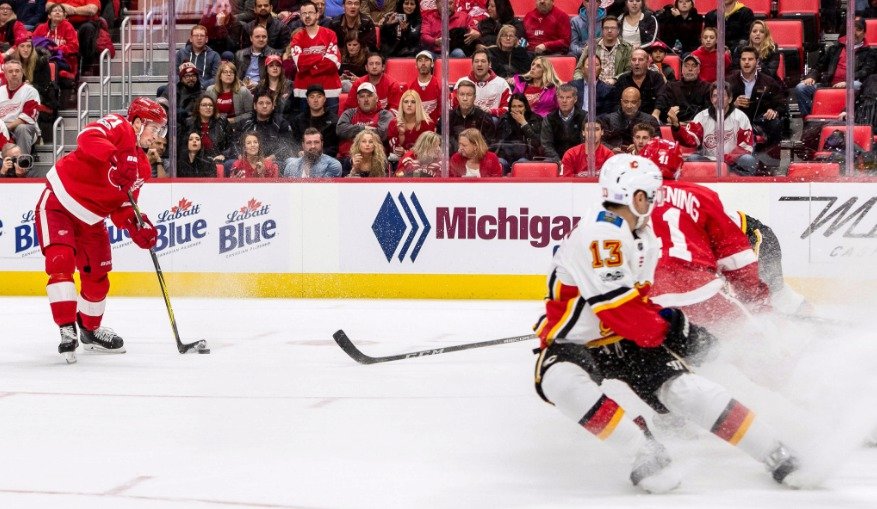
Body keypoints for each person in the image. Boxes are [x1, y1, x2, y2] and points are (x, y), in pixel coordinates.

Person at [533, 152, 802, 493]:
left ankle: (773, 451)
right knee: (561, 381)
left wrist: (675, 327)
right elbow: (619, 309)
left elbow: (640, 304)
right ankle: (641, 450)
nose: (658, 201)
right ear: (637, 197)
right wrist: (676, 331)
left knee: (686, 389)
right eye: (653, 194)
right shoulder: (598, 234)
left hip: (626, 341)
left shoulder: (643, 238)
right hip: (575, 344)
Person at [34, 97, 167, 363]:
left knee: (98, 276)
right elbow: (87, 136)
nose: (158, 136)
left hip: (92, 219)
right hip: (59, 202)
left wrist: (136, 225)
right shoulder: (118, 125)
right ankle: (67, 329)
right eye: (155, 128)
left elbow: (122, 205)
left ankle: (90, 330)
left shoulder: (142, 167)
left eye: (162, 131)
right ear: (138, 123)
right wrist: (116, 156)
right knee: (60, 262)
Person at [642, 138, 770, 331]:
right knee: (760, 349)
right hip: (702, 293)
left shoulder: (626, 202)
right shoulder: (702, 196)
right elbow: (737, 259)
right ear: (679, 168)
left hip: (648, 301)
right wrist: (757, 302)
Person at [794, 17, 876, 118]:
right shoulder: (835, 48)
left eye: (858, 29)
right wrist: (811, 76)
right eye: (851, 29)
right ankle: (810, 117)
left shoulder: (870, 52)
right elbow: (819, 65)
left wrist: (847, 82)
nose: (854, 33)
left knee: (856, 84)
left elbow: (866, 72)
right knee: (801, 88)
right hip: (830, 84)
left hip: (854, 85)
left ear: (864, 33)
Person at [674, 81, 757, 176]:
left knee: (748, 160)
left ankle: (740, 188)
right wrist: (677, 127)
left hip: (733, 162)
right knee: (693, 159)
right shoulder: (701, 117)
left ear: (730, 99)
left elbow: (745, 147)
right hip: (709, 160)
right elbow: (691, 140)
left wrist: (727, 159)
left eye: (723, 96)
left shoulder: (741, 117)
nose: (718, 99)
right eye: (715, 96)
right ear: (711, 99)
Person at [728, 46, 787, 173]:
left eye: (750, 59)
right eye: (743, 59)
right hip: (736, 121)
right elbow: (717, 104)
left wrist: (774, 111)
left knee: (776, 123)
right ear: (740, 62)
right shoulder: (729, 81)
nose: (747, 62)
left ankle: (772, 162)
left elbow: (782, 103)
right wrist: (733, 104)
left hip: (760, 121)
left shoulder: (768, 81)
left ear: (757, 61)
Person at [290, 0, 343, 117]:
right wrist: (321, 56)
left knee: (331, 127)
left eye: (310, 12)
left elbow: (333, 62)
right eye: (304, 13)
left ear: (317, 14)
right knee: (306, 127)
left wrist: (310, 64)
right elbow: (299, 63)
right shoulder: (297, 37)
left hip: (330, 88)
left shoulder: (330, 34)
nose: (307, 16)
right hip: (304, 88)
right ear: (300, 16)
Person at [336, 82, 394, 158]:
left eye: (369, 96)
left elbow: (382, 134)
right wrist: (364, 128)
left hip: (375, 159)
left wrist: (352, 131)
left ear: (376, 98)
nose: (366, 99)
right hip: (348, 158)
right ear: (358, 100)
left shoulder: (385, 115)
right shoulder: (349, 113)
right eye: (362, 96)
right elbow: (340, 130)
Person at [573, 17, 633, 85]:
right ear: (602, 30)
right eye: (606, 28)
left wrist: (615, 79)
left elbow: (629, 71)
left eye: (613, 28)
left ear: (618, 30)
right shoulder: (591, 47)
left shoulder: (627, 48)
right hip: (594, 86)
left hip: (617, 86)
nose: (609, 31)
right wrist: (582, 83)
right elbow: (579, 70)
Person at [598, 86, 660, 153]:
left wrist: (640, 145)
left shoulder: (650, 120)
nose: (629, 106)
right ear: (621, 102)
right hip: (614, 157)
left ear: (639, 103)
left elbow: (657, 142)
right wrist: (611, 149)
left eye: (633, 102)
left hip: (642, 157)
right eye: (626, 102)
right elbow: (599, 140)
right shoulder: (608, 119)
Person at [235, 92, 293, 162]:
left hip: (273, 162)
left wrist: (269, 160)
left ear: (273, 106)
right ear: (255, 106)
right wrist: (242, 157)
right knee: (229, 163)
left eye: (268, 103)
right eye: (261, 103)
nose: (265, 106)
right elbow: (234, 144)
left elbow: (287, 146)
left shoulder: (281, 123)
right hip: (246, 161)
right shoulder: (244, 123)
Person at [494, 93, 543, 174]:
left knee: (521, 163)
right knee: (499, 162)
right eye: (514, 106)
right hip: (505, 157)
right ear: (510, 108)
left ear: (526, 107)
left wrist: (524, 123)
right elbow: (497, 143)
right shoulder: (504, 119)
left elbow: (537, 143)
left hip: (526, 157)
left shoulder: (536, 119)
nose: (517, 110)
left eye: (520, 106)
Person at [0, 59, 41, 156]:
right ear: (5, 74)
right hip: (2, 127)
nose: (14, 74)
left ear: (22, 73)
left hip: (21, 128)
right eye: (10, 71)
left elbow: (28, 117)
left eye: (17, 71)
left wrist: (6, 127)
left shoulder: (30, 91)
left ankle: (22, 165)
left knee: (22, 128)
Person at [654, 54, 710, 124]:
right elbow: (662, 102)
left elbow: (707, 112)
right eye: (686, 66)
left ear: (699, 69)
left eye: (694, 66)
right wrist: (659, 113)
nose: (690, 69)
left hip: (699, 125)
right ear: (682, 69)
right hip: (675, 125)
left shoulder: (707, 88)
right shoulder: (671, 86)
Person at [288, 84, 340, 158]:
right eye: (312, 97)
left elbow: (334, 147)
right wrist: (299, 151)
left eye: (319, 96)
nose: (315, 100)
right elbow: (294, 142)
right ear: (307, 100)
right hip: (302, 158)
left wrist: (318, 153)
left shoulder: (334, 121)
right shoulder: (298, 120)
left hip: (326, 158)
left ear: (324, 99)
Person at [444, 78, 495, 153]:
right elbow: (441, 141)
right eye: (462, 94)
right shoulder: (447, 117)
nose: (465, 98)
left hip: (476, 158)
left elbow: (489, 145)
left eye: (469, 95)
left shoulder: (484, 118)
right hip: (452, 158)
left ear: (474, 97)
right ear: (457, 97)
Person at [387, 89, 435, 164]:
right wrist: (401, 134)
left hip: (422, 163)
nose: (409, 105)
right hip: (399, 163)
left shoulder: (428, 124)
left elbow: (428, 151)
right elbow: (393, 151)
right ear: (401, 104)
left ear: (418, 105)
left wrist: (406, 152)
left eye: (413, 102)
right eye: (406, 102)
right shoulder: (394, 123)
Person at [614, 48, 666, 117]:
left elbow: (661, 98)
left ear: (647, 62)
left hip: (651, 118)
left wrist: (656, 113)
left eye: (641, 60)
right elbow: (616, 103)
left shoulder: (656, 77)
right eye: (634, 60)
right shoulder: (622, 79)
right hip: (627, 118)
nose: (636, 63)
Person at [183, 94, 234, 164]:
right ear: (198, 108)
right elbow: (183, 146)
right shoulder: (189, 123)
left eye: (211, 105)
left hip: (218, 160)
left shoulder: (222, 121)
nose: (208, 107)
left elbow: (232, 143)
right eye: (204, 105)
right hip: (196, 161)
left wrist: (223, 155)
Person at [540, 84, 586, 161]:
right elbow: (546, 144)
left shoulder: (584, 117)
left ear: (575, 99)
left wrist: (575, 159)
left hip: (578, 158)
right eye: (561, 97)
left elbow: (586, 142)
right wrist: (557, 160)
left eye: (568, 97)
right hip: (556, 159)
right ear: (557, 99)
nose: (564, 101)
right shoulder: (549, 118)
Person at [33, 4, 80, 77]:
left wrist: (55, 49)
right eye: (55, 11)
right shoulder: (40, 28)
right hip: (43, 58)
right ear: (49, 15)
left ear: (64, 16)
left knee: (50, 65)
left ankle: (52, 87)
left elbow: (74, 47)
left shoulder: (68, 27)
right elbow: (33, 43)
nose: (57, 12)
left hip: (64, 60)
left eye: (60, 11)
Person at [205, 60, 255, 125]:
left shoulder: (243, 91)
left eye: (231, 72)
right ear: (220, 76)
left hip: (237, 126)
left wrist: (234, 120)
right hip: (215, 125)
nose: (229, 74)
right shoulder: (210, 90)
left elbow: (251, 113)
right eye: (225, 72)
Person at [467, 49, 511, 118]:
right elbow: (454, 107)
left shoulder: (502, 83)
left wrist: (491, 111)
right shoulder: (461, 83)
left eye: (483, 61)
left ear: (489, 64)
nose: (479, 64)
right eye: (476, 61)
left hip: (493, 121)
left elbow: (507, 109)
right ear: (472, 65)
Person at [234, 25, 280, 92]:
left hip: (264, 90)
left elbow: (276, 78)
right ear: (251, 38)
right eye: (257, 37)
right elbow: (234, 75)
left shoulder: (274, 55)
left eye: (264, 37)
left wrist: (258, 85)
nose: (261, 39)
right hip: (241, 89)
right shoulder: (239, 54)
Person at [176, 24, 221, 89]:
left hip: (203, 89)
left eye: (202, 36)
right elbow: (173, 74)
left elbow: (216, 77)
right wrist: (182, 83)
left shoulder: (214, 56)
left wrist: (202, 86)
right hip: (183, 87)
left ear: (206, 39)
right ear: (191, 39)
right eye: (196, 35)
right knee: (162, 89)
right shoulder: (181, 53)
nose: (199, 38)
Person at [406, 50, 443, 122]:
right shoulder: (409, 86)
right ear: (416, 65)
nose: (423, 63)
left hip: (435, 128)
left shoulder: (440, 85)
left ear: (432, 64)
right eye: (420, 61)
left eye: (426, 60)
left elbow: (444, 110)